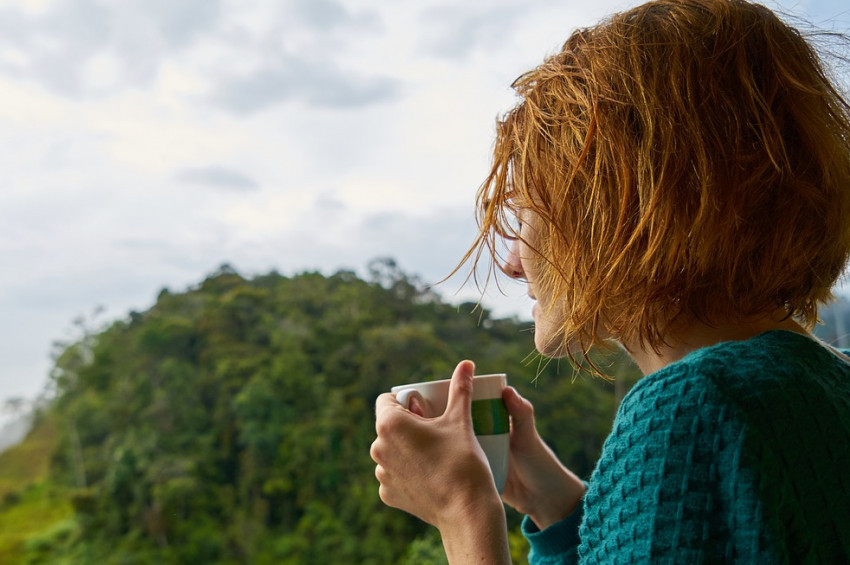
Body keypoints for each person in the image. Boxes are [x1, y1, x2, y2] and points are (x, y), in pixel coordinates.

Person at [370, 0, 850, 562]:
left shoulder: (690, 409)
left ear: (610, 211)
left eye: (523, 216)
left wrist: (462, 509)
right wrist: (555, 506)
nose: (511, 263)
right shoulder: (823, 384)